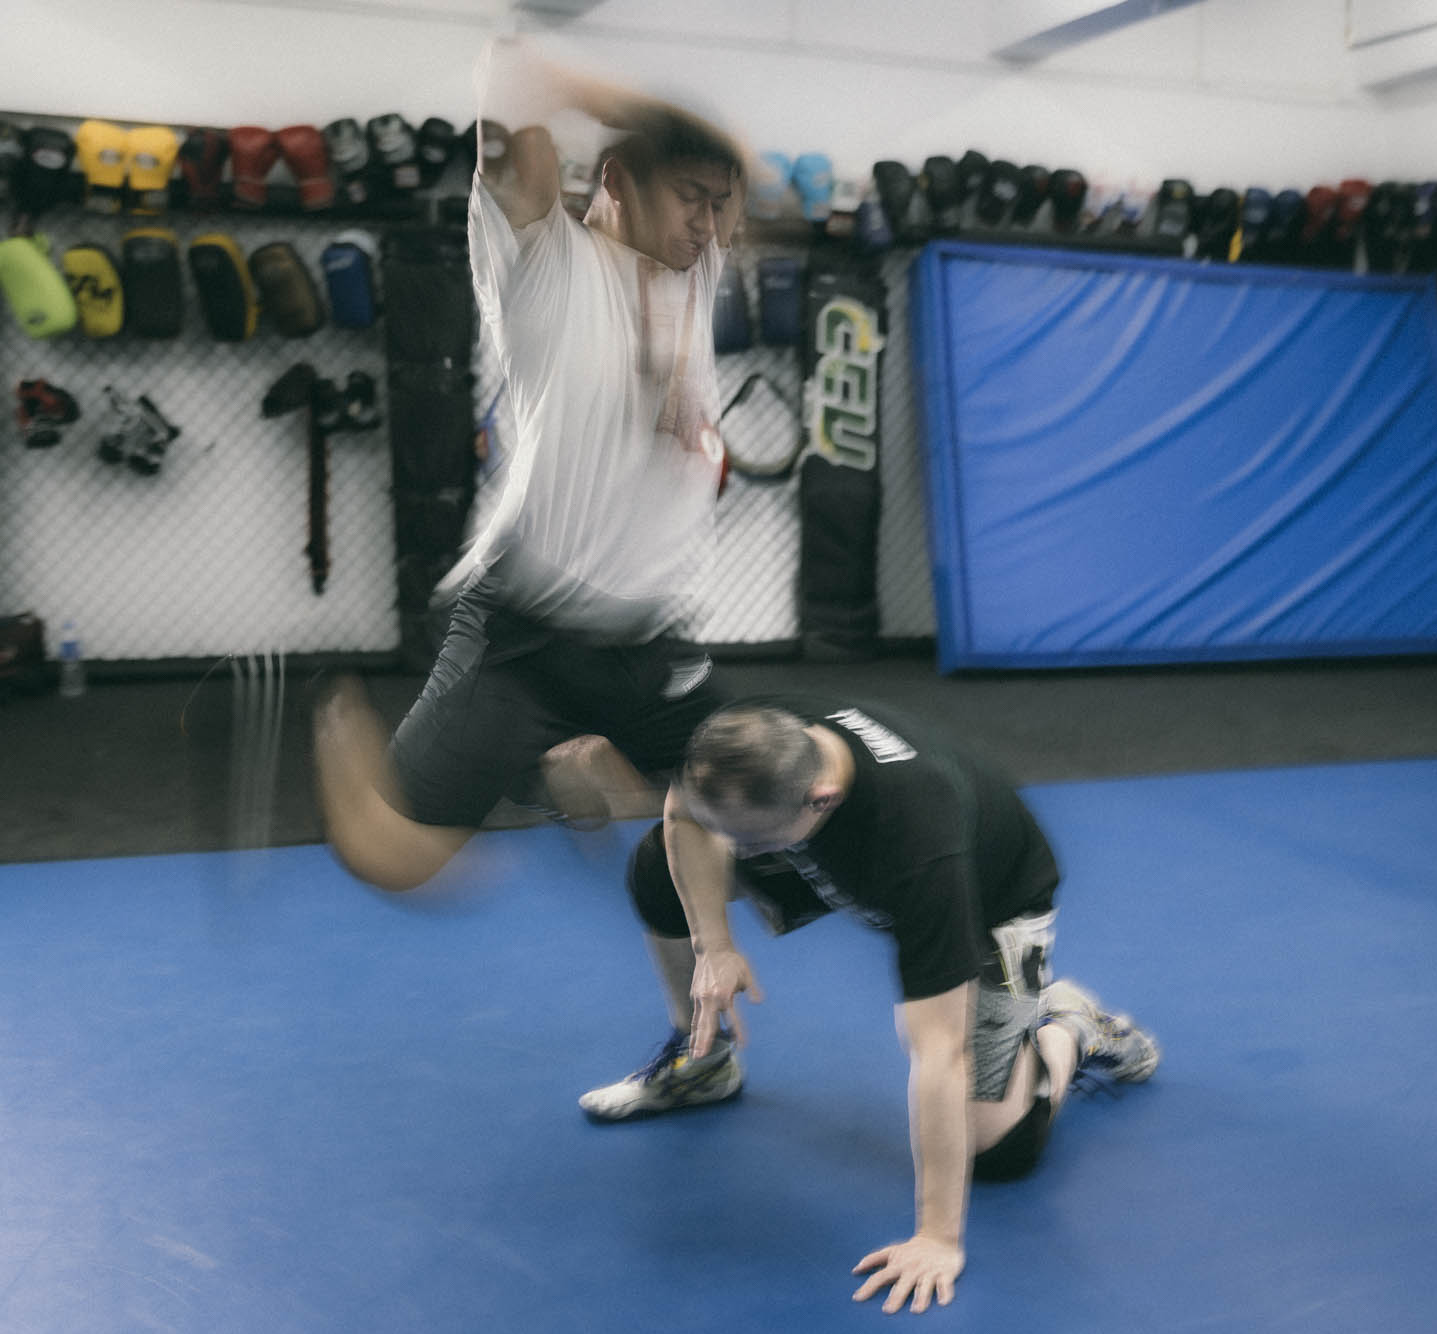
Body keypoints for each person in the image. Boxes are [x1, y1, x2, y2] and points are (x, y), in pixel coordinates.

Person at [314, 39, 749, 890]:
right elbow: (509, 75)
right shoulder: (544, 261)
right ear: (618, 179)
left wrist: (694, 158)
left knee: (761, 799)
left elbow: (738, 170)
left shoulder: (695, 267)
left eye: (718, 205)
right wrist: (646, 120)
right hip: (527, 634)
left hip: (646, 638)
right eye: (689, 198)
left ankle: (566, 759)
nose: (709, 224)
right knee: (395, 860)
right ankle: (348, 727)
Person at [587, 695, 1160, 1315]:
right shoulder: (745, 740)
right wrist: (714, 946)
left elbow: (940, 1053)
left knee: (996, 1150)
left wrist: (937, 1238)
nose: (734, 851)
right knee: (661, 864)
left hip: (987, 900)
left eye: (748, 841)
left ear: (821, 798)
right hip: (823, 843)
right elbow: (685, 811)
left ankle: (1070, 1025)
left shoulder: (919, 844)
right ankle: (702, 1064)